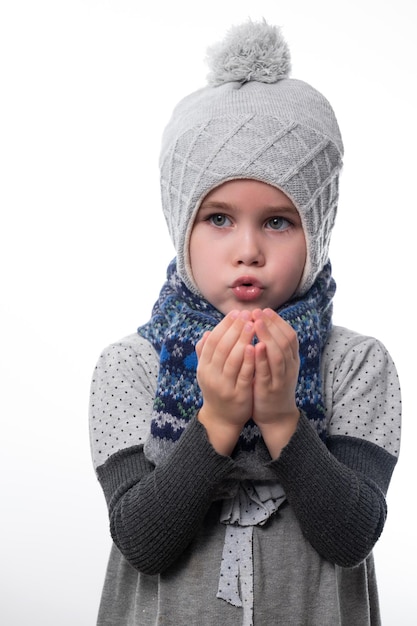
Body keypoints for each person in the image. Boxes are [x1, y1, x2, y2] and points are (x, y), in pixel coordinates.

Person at [89, 20, 401, 626]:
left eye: (279, 221)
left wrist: (282, 416)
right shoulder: (129, 366)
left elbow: (352, 537)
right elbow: (143, 543)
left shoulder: (357, 365)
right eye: (219, 219)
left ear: (318, 230)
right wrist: (219, 420)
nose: (248, 250)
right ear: (182, 226)